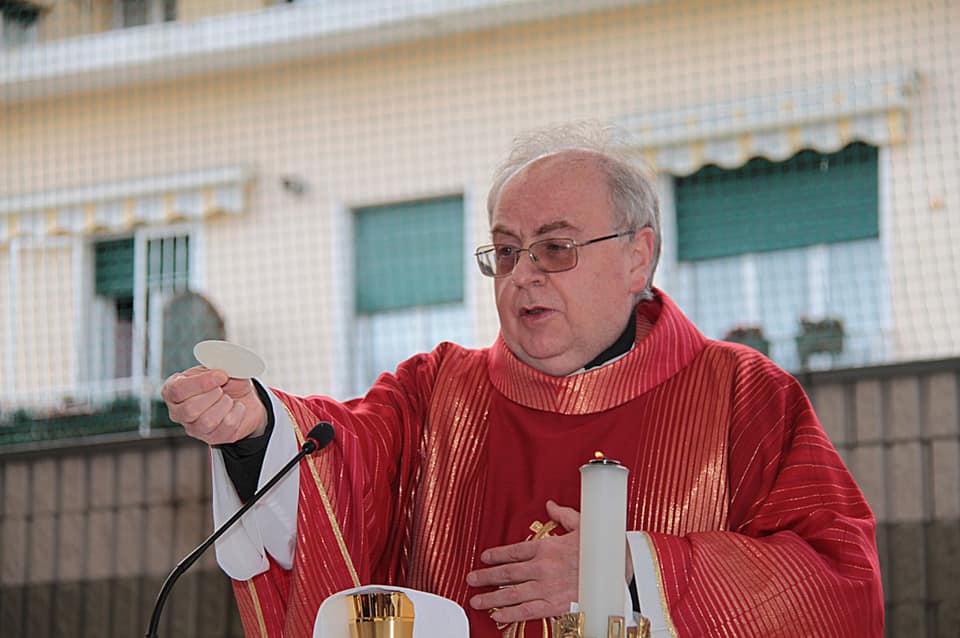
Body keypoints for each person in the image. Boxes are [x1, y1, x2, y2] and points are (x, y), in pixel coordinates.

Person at [161, 123, 884, 637]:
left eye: (555, 247)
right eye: (506, 252)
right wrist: (254, 428)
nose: (523, 275)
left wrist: (631, 568)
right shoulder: (436, 394)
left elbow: (839, 585)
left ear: (638, 257)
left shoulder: (742, 395)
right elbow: (337, 460)